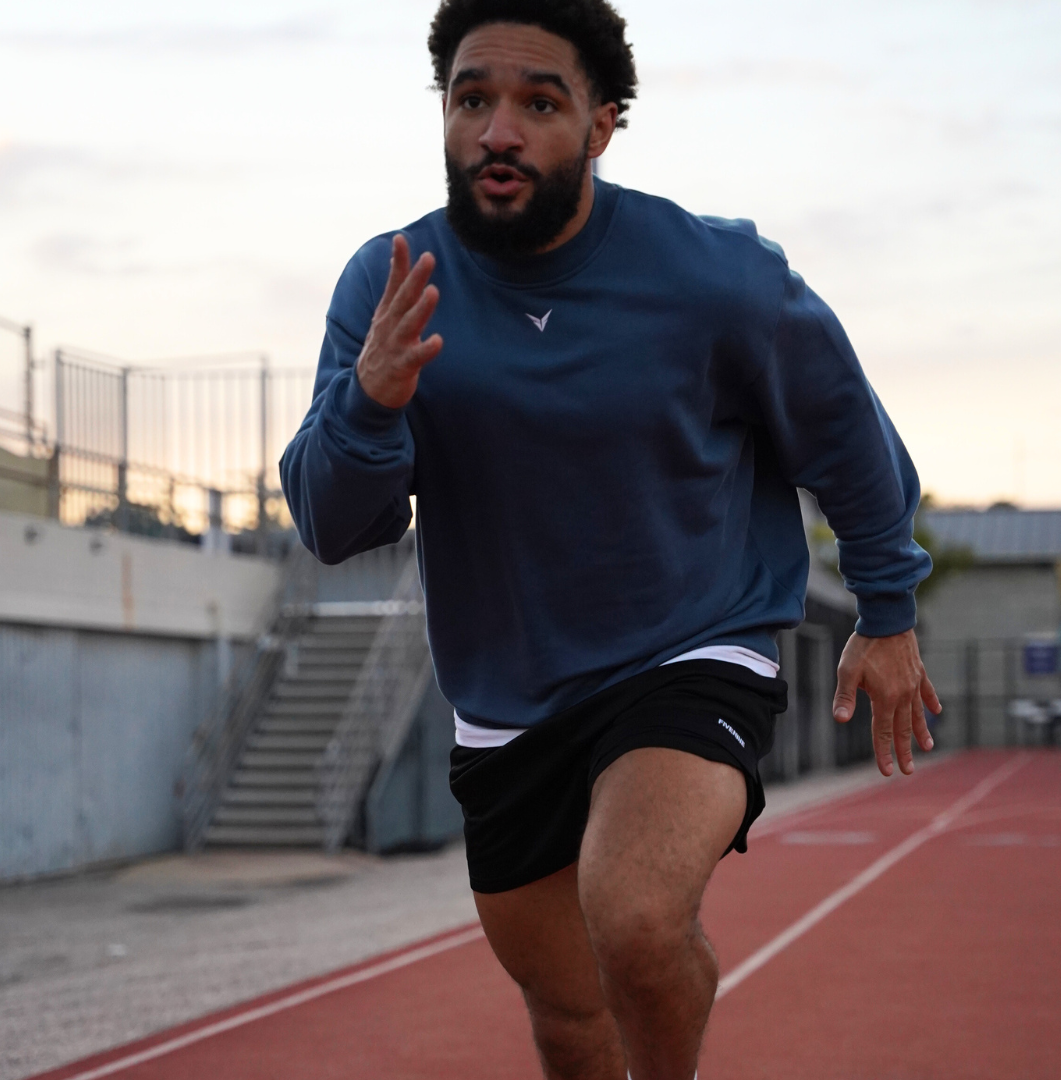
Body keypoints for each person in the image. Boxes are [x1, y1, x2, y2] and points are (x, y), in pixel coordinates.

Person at [281, 2, 942, 1077]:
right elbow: (332, 523)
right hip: (507, 697)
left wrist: (888, 606)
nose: (500, 130)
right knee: (570, 1011)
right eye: (472, 98)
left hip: (691, 646)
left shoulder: (717, 278)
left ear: (601, 125)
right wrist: (369, 404)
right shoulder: (391, 285)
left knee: (634, 922)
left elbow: (847, 435)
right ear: (445, 113)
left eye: (540, 103)